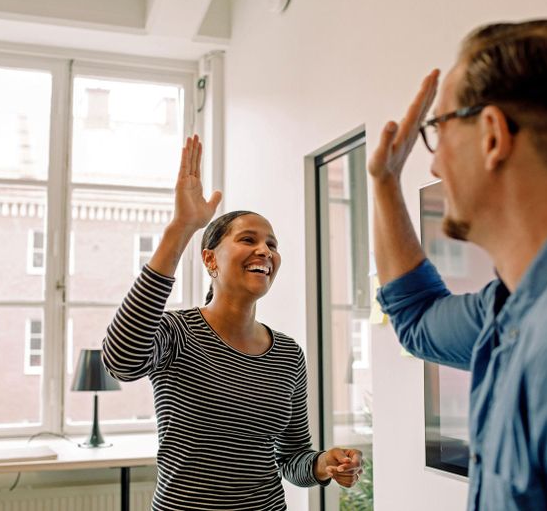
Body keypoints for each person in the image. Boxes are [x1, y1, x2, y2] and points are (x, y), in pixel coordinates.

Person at [369, 20, 547, 510]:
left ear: (492, 136)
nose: (435, 164)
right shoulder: (510, 306)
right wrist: (384, 183)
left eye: (438, 130)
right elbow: (417, 318)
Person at [102, 135, 363, 510]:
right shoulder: (177, 333)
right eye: (248, 239)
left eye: (272, 244)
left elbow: (293, 459)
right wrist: (181, 228)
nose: (265, 251)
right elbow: (120, 361)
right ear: (210, 260)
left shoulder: (288, 354)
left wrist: (325, 464)